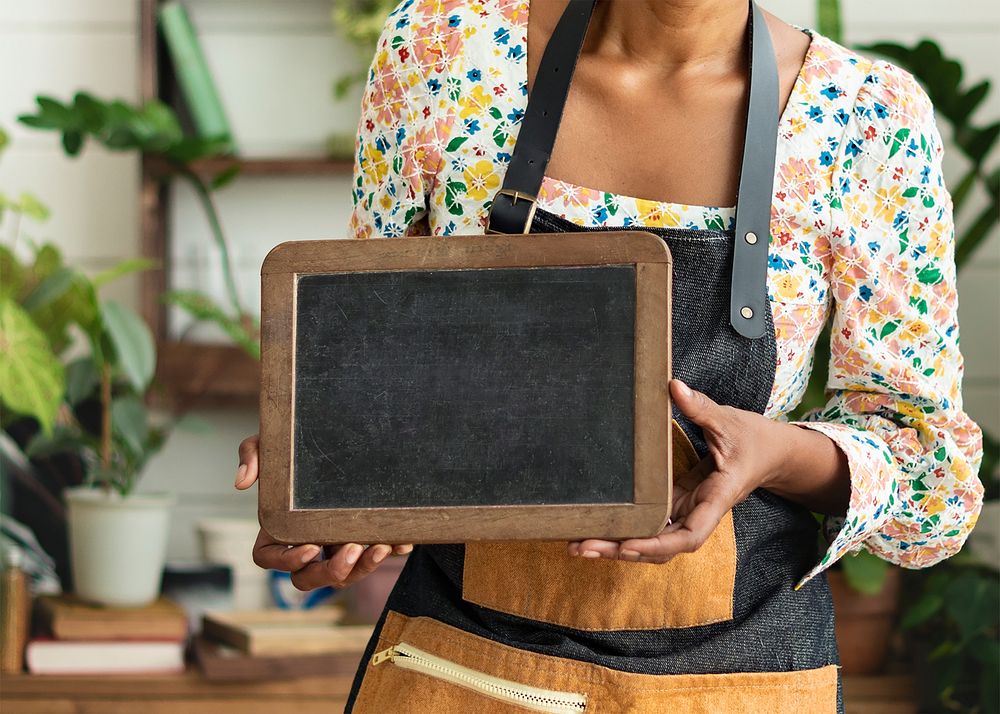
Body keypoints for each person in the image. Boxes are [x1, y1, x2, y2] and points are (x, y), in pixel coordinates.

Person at [235, 0, 984, 710]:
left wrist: (776, 453)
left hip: (738, 678)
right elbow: (373, 357)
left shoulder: (869, 117)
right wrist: (328, 462)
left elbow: (931, 480)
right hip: (465, 666)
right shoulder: (443, 48)